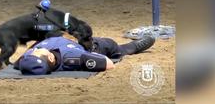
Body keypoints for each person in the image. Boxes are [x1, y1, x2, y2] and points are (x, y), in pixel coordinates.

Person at [14, 34, 155, 75]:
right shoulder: (72, 58)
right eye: (37, 52)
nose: (34, 50)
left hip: (60, 38)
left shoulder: (26, 60)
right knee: (110, 45)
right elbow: (108, 64)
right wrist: (91, 54)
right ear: (50, 57)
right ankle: (132, 47)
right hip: (88, 46)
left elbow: (19, 63)